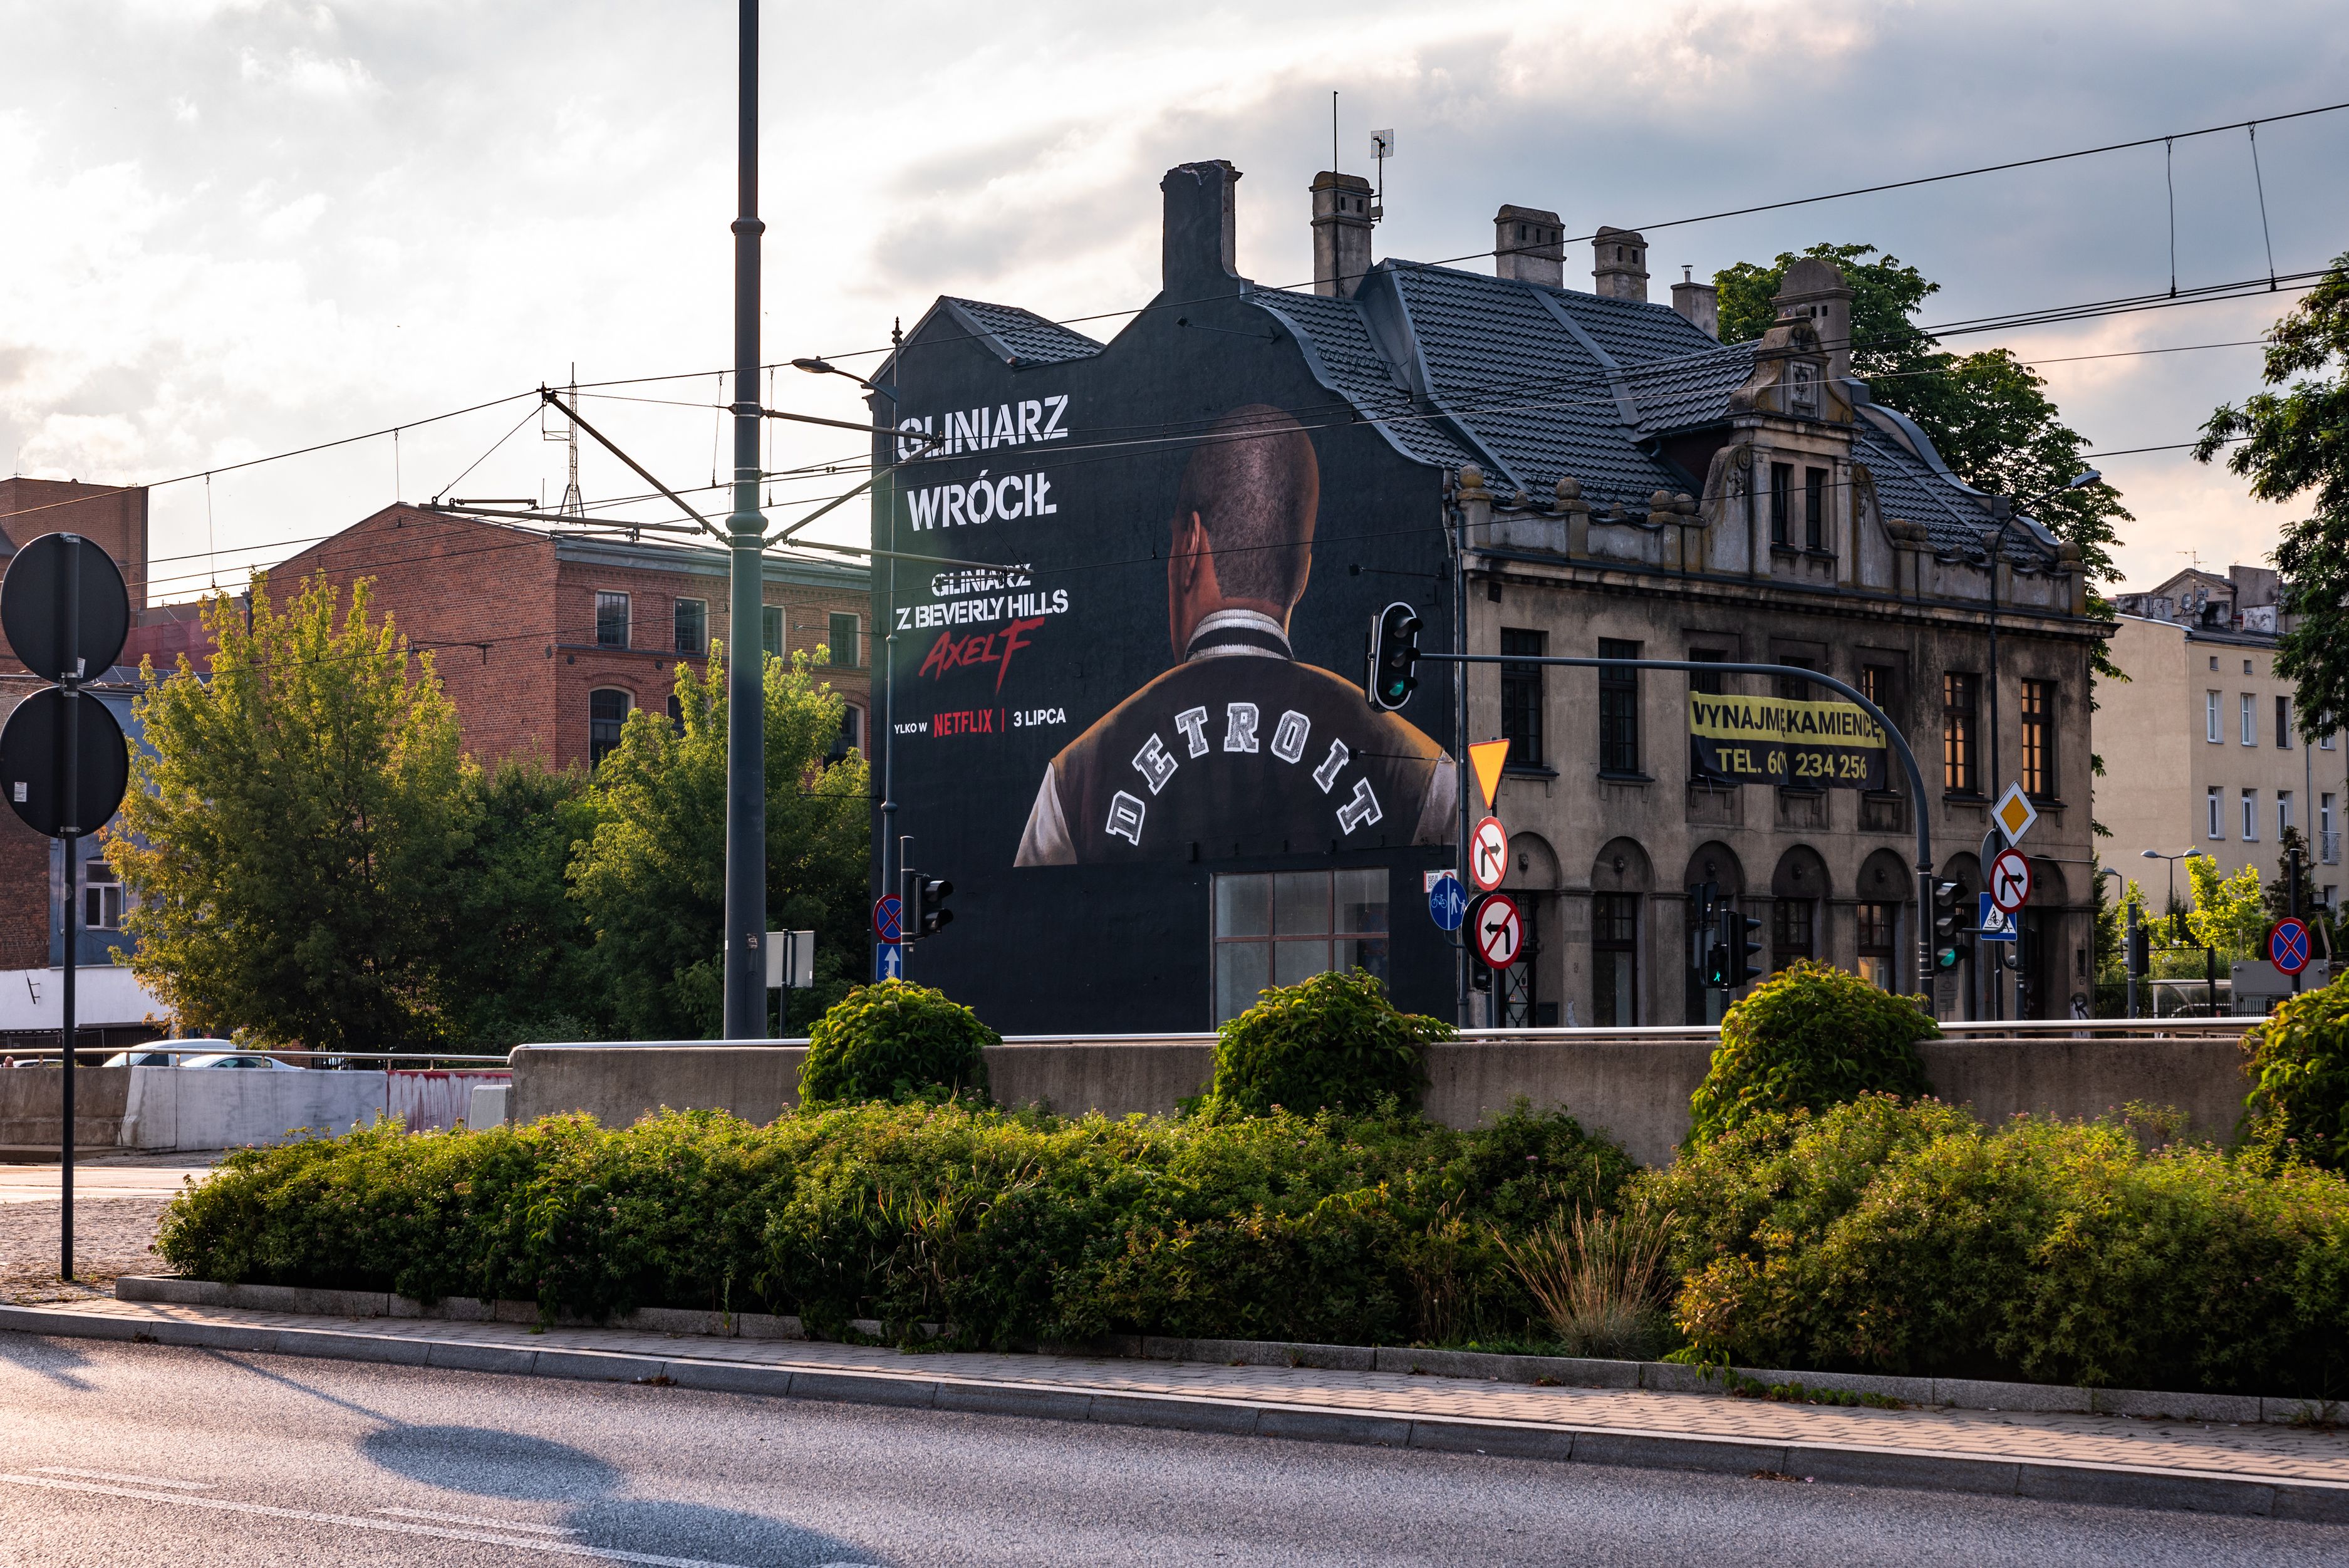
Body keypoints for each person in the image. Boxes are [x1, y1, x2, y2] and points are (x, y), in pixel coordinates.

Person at [1017, 404, 1454, 865]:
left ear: (1189, 545)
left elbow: (1034, 923)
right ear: (1302, 572)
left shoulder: (1076, 777)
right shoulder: (1423, 771)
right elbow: (1470, 900)